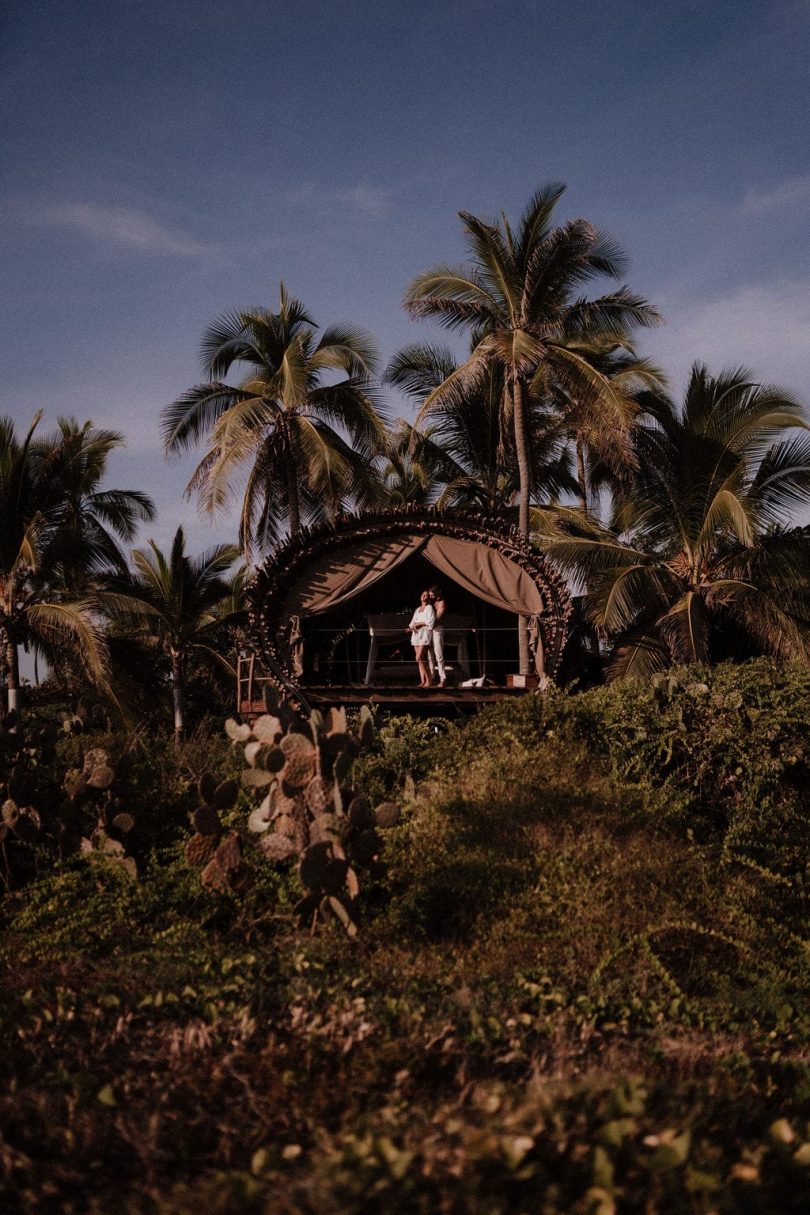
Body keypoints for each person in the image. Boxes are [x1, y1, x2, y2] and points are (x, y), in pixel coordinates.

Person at [406, 590, 435, 688]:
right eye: (423, 594)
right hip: (416, 635)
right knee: (419, 660)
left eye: (426, 595)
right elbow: (412, 622)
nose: (424, 596)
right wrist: (409, 628)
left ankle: (429, 679)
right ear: (420, 597)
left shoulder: (429, 608)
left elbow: (430, 622)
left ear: (428, 598)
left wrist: (419, 623)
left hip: (424, 634)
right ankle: (423, 681)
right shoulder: (418, 609)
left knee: (418, 657)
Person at [428, 585, 447, 686]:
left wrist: (425, 621)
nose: (430, 597)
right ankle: (431, 676)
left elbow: (437, 619)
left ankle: (442, 679)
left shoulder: (441, 603)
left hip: (437, 629)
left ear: (436, 594)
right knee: (430, 655)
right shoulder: (430, 603)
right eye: (429, 595)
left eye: (432, 595)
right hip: (429, 629)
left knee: (438, 654)